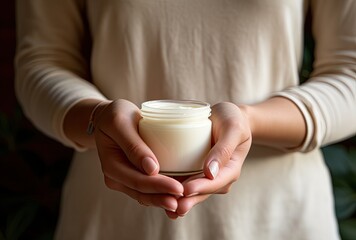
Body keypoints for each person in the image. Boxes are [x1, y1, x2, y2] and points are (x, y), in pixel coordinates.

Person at [15, 0, 356, 239]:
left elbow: (350, 73)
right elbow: (43, 59)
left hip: (278, 220)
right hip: (114, 221)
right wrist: (96, 118)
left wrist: (250, 122)